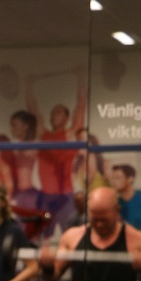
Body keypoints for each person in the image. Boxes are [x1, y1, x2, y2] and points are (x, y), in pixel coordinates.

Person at [25, 66, 87, 232]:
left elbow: (81, 104)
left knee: (72, 234)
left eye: (58, 112)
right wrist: (28, 86)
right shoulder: (43, 134)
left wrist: (80, 77)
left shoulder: (70, 134)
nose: (54, 115)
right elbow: (33, 109)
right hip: (46, 196)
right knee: (43, 238)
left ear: (66, 117)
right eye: (53, 112)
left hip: (66, 196)